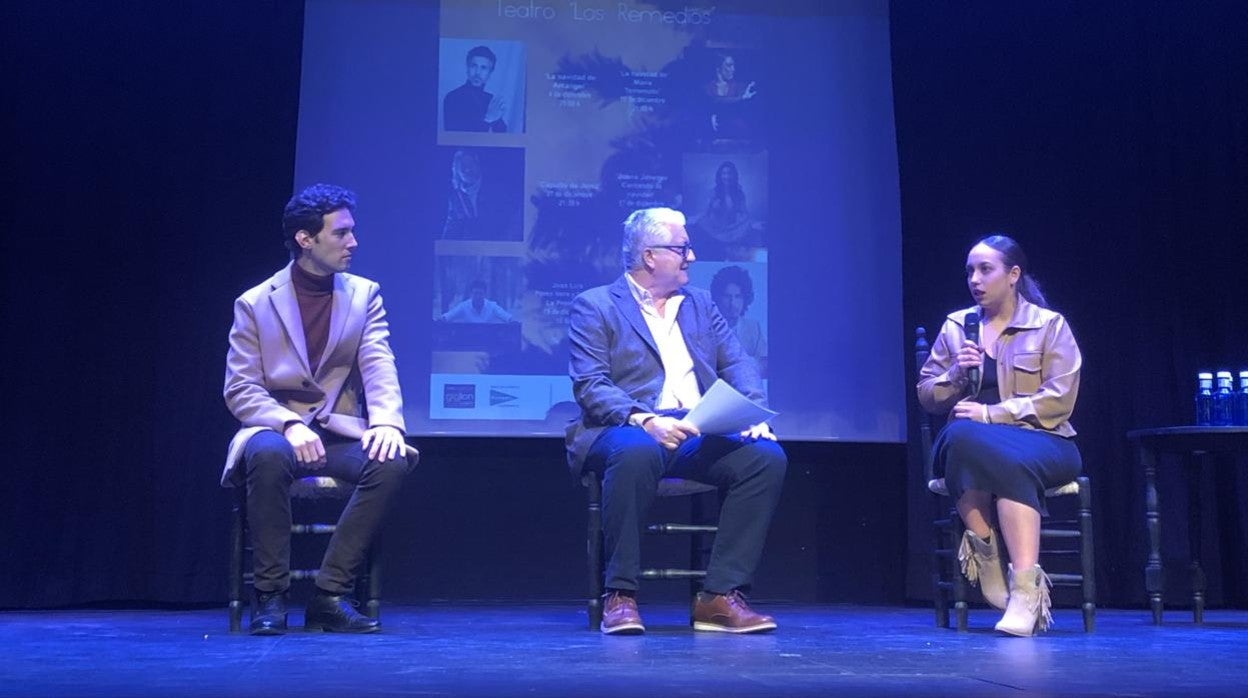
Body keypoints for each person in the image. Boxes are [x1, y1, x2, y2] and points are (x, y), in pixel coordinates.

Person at [566, 207, 787, 635]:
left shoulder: (700, 303)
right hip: (623, 429)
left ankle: (718, 597)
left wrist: (753, 412)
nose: (691, 256)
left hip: (693, 429)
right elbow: (591, 384)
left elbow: (738, 363)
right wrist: (645, 419)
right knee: (636, 452)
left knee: (766, 457)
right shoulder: (594, 305)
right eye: (682, 248)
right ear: (650, 256)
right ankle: (621, 595)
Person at [222, 184, 417, 635]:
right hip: (275, 429)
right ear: (306, 239)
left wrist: (387, 421)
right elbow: (241, 389)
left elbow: (378, 362)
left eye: (352, 232)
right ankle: (270, 597)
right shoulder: (255, 303)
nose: (354, 243)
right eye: (342, 233)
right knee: (268, 456)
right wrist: (289, 423)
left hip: (335, 428)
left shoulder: (364, 295)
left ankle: (330, 595)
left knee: (391, 461)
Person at [917, 234, 1082, 637]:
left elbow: (1060, 399)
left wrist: (992, 413)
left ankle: (1023, 592)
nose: (975, 279)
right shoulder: (958, 326)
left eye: (985, 269)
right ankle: (990, 552)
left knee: (986, 447)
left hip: (1046, 442)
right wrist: (955, 374)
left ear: (1013, 275)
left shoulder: (1049, 325)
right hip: (969, 445)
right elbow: (927, 395)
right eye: (970, 270)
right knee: (962, 435)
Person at [710, 265, 767, 376]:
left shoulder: (754, 328)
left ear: (745, 298)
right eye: (727, 296)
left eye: (738, 296)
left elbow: (764, 364)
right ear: (718, 298)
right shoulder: (705, 328)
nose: (733, 303)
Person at [443, 45, 507, 132]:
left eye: (483, 68)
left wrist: (497, 118)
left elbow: (502, 136)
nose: (477, 72)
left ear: (490, 73)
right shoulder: (452, 97)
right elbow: (456, 137)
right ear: (467, 68)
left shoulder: (491, 100)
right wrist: (488, 119)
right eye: (473, 66)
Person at [440, 280, 514, 323]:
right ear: (471, 294)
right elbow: (448, 316)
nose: (478, 296)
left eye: (480, 293)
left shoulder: (492, 306)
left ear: (485, 294)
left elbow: (506, 316)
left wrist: (512, 321)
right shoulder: (463, 306)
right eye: (475, 293)